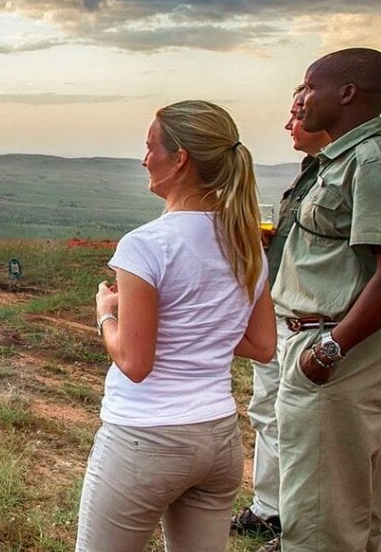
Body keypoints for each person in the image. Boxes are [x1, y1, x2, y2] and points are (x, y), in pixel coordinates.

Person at [76, 101, 276, 551]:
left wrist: (106, 313)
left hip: (145, 439)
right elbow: (263, 345)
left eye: (150, 147)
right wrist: (200, 333)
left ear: (179, 158)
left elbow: (134, 361)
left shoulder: (145, 245)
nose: (145, 158)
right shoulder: (246, 245)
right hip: (219, 439)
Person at [271, 47, 381, 551]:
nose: (303, 98)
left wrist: (330, 350)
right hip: (334, 344)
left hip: (333, 350)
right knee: (357, 507)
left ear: (347, 93)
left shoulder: (370, 159)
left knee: (319, 518)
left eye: (310, 86)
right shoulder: (344, 158)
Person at [231, 86, 331, 542]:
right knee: (268, 412)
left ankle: (299, 524)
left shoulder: (360, 168)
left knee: (302, 428)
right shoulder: (314, 171)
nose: (290, 123)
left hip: (318, 322)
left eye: (298, 112)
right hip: (282, 310)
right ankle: (270, 508)